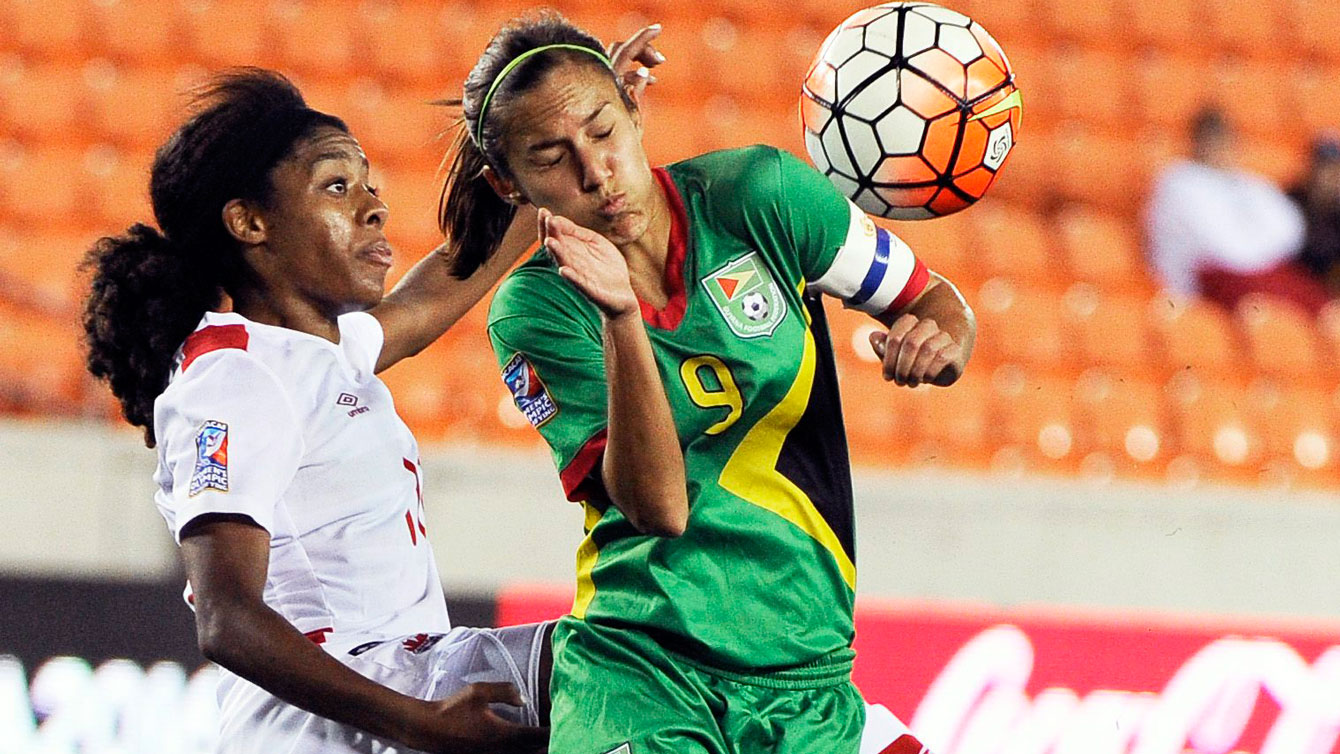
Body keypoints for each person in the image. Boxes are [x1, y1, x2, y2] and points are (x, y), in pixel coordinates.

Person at [78, 32, 664, 750]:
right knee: (630, 661)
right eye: (335, 186)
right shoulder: (234, 377)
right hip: (329, 727)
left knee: (635, 668)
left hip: (397, 693)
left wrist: (571, 140)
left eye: (368, 183)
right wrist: (423, 725)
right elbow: (226, 618)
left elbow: (447, 279)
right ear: (249, 222)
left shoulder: (321, 355)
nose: (373, 207)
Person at [439, 13, 976, 754]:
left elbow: (932, 299)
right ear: (510, 182)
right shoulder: (535, 308)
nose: (594, 172)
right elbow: (659, 506)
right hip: (641, 672)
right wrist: (622, 316)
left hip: (807, 680)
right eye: (552, 157)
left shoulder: (762, 195)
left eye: (602, 132)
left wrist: (942, 341)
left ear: (634, 109)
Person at [1145, 107, 1330, 316]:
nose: (1220, 149)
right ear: (1197, 142)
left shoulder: (1247, 182)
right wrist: (1260, 250)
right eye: (1213, 142)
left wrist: (1259, 254)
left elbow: (1290, 229)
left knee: (1323, 306)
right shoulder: (1179, 181)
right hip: (1210, 276)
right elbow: (1220, 246)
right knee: (1271, 313)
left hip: (1265, 270)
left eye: (1224, 141)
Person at [1288, 133, 1340, 295]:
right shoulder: (1293, 198)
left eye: (1332, 170)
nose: (1325, 176)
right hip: (1295, 276)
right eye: (1322, 167)